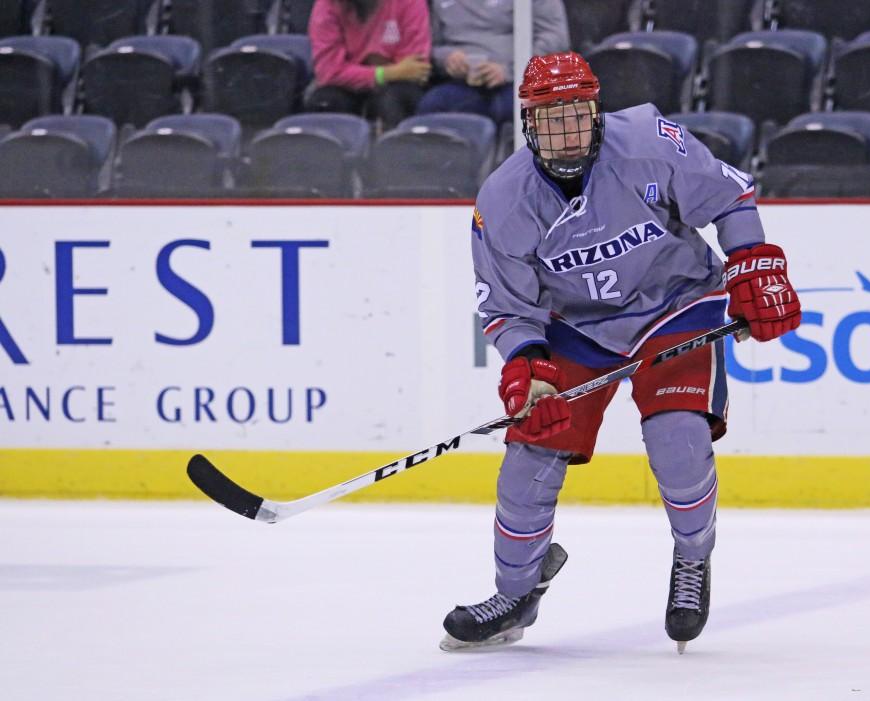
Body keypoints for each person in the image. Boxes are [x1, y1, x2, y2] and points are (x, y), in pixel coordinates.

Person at [440, 52, 802, 654]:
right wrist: (528, 368)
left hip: (675, 305)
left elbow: (730, 196)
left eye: (577, 114)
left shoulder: (648, 142)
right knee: (531, 456)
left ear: (597, 111)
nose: (567, 131)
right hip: (577, 329)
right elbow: (507, 307)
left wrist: (752, 262)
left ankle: (691, 561)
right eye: (550, 119)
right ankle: (515, 592)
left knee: (678, 438)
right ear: (528, 124)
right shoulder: (503, 200)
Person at [417, 0, 569, 125]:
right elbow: (428, 44)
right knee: (432, 105)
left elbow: (556, 36)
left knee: (526, 108)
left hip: (523, 80)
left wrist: (512, 69)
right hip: (460, 83)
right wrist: (446, 58)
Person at [307, 0, 432, 131]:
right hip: (345, 87)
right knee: (326, 101)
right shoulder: (327, 4)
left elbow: (416, 68)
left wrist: (354, 68)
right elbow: (329, 72)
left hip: (396, 86)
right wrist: (387, 73)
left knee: (394, 100)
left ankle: (395, 150)